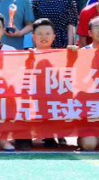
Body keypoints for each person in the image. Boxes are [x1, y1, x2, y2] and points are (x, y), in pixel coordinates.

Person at [29, 19, 91, 150]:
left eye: (47, 33)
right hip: (32, 100)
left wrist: (73, 55)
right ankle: (34, 136)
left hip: (54, 100)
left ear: (54, 36)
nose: (44, 37)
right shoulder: (26, 55)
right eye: (39, 33)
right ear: (33, 36)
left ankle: (56, 133)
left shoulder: (61, 55)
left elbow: (71, 76)